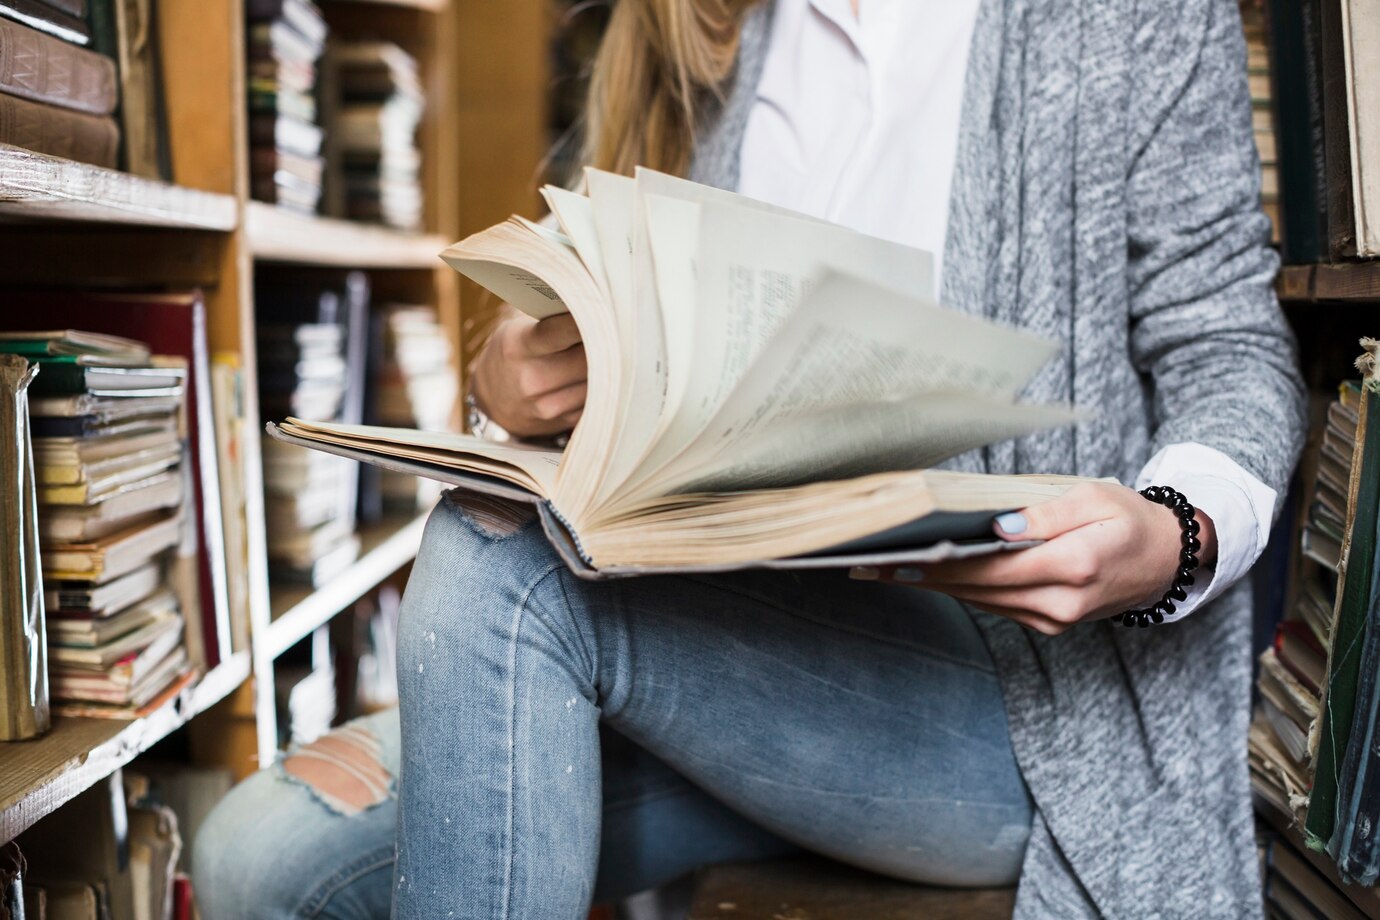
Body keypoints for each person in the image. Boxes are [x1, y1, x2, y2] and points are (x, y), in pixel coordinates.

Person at [194, 0, 1306, 916]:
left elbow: (1231, 348)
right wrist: (505, 390)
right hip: (719, 659)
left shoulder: (1125, 19)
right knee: (254, 864)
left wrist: (1173, 531)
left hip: (1029, 705)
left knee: (502, 561)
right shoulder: (697, 37)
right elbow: (612, 377)